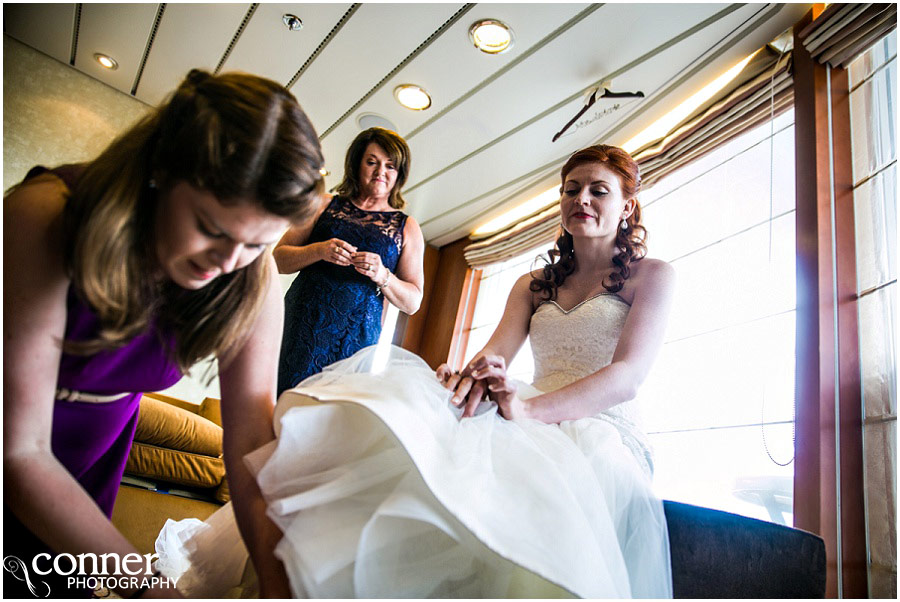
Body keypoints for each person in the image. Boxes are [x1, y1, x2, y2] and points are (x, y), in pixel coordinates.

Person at [155, 144, 674, 598]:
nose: (581, 199)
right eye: (571, 188)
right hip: (526, 407)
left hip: (600, 431)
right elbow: (493, 355)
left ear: (627, 205)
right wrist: (467, 376)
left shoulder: (651, 277)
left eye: (598, 190)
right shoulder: (532, 284)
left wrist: (528, 409)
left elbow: (628, 375)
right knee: (408, 422)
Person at [3, 69, 325, 598]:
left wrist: (277, 580)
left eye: (254, 243)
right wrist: (151, 588)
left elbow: (248, 444)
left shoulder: (252, 276)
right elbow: (17, 452)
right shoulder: (47, 215)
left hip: (92, 457)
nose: (228, 262)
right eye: (212, 228)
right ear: (162, 169)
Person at [273, 127, 425, 394]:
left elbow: (413, 301)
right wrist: (319, 250)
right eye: (372, 162)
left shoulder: (407, 227)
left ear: (399, 174)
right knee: (282, 402)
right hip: (302, 325)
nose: (381, 172)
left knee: (333, 416)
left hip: (356, 340)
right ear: (356, 164)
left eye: (390, 166)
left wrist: (383, 275)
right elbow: (277, 259)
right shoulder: (323, 204)